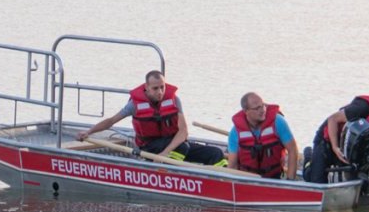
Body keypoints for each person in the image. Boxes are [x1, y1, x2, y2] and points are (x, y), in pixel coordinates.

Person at [75, 70, 224, 165]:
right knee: (181, 147)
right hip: (149, 146)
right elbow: (111, 121)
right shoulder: (134, 105)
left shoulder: (174, 100)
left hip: (172, 145)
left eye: (162, 87)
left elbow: (183, 132)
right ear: (146, 87)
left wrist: (165, 153)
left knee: (215, 153)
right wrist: (89, 132)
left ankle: (220, 180)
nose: (160, 92)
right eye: (155, 88)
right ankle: (165, 170)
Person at [304, 92, 369, 184]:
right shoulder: (364, 107)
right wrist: (335, 148)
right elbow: (333, 119)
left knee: (363, 181)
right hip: (328, 140)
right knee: (313, 179)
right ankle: (308, 156)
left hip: (351, 150)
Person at [227, 92, 298, 179]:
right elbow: (232, 165)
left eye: (263, 105)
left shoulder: (278, 122)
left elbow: (292, 150)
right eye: (257, 108)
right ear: (246, 111)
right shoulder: (235, 132)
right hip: (247, 180)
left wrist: (290, 180)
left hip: (274, 179)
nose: (262, 110)